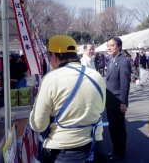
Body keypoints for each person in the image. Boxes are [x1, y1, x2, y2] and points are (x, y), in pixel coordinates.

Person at [30, 35, 107, 163]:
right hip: (96, 148)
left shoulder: (51, 78)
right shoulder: (97, 76)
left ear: (53, 56)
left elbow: (38, 125)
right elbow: (100, 107)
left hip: (64, 153)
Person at [105, 37, 131, 162]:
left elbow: (125, 84)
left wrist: (123, 102)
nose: (109, 48)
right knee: (112, 128)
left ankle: (120, 153)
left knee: (119, 129)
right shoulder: (111, 60)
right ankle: (115, 150)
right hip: (110, 100)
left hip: (117, 101)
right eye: (108, 45)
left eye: (112, 45)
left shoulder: (123, 61)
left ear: (119, 47)